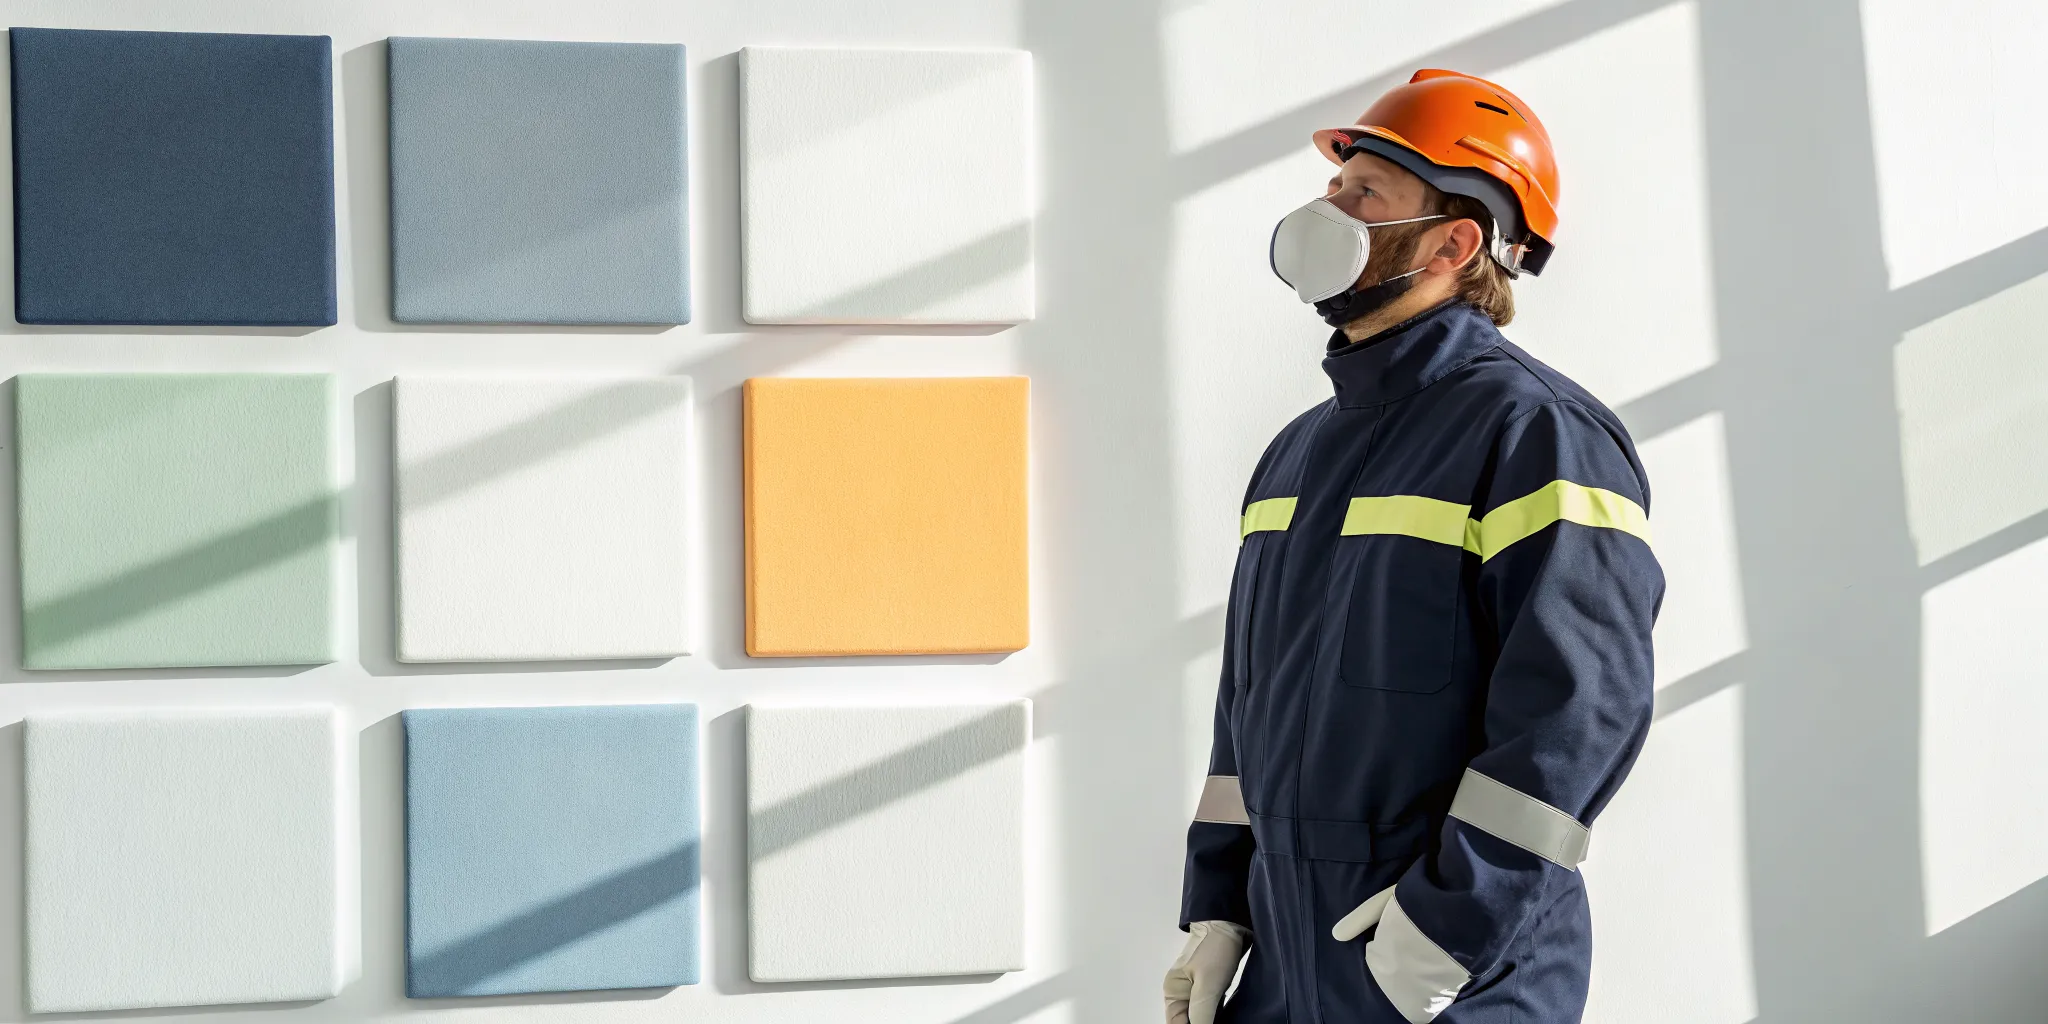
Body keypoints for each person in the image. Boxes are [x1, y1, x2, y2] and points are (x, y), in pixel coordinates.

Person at [1162, 70, 1665, 1024]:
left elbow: (1577, 713)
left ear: (1454, 240)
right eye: (1333, 185)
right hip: (1285, 971)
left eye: (1364, 192)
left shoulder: (1540, 435)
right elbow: (1248, 712)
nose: (1328, 206)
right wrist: (1219, 908)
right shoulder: (1297, 452)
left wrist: (1442, 937)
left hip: (1447, 980)